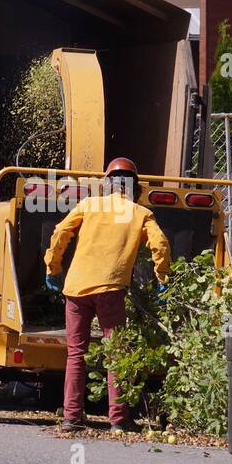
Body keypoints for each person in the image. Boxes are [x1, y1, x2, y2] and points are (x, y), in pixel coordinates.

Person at [43, 158, 172, 433]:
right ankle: (118, 420)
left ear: (106, 184)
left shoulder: (89, 205)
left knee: (76, 353)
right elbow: (160, 244)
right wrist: (162, 279)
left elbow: (60, 232)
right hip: (111, 290)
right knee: (116, 354)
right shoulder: (140, 213)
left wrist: (53, 268)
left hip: (76, 289)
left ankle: (71, 418)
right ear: (135, 187)